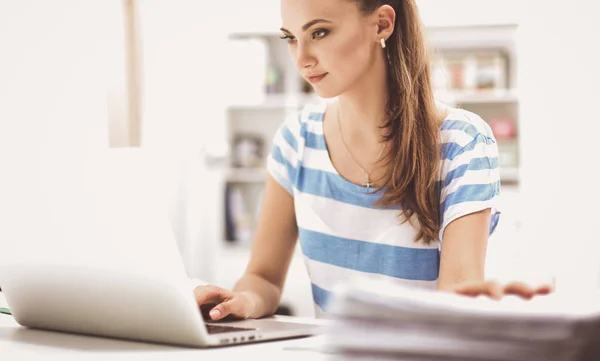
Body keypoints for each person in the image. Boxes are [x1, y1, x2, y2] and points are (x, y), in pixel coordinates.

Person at [195, 0, 552, 320]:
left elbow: (456, 303)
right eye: (290, 37)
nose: (302, 57)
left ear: (381, 24)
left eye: (319, 32)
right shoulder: (296, 141)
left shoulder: (461, 143)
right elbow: (263, 278)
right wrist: (240, 300)